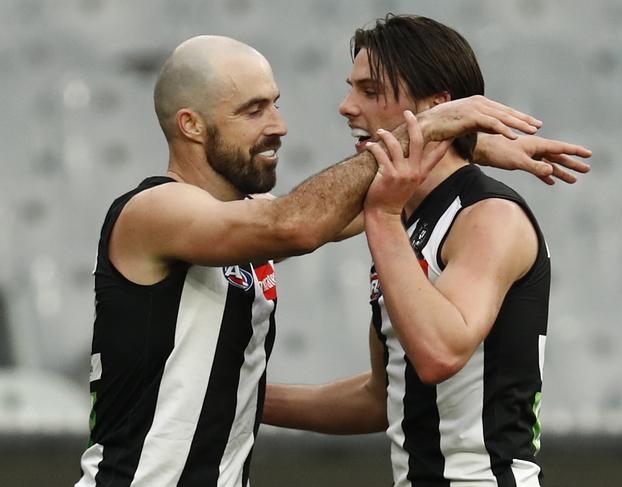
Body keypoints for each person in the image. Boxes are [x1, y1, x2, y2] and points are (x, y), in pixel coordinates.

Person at [74, 33, 549, 487]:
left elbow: (339, 209)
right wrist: (426, 129)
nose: (278, 125)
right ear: (191, 125)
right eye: (254, 110)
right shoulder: (154, 211)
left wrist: (460, 149)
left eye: (275, 104)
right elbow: (295, 224)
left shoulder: (242, 219)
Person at [263, 14, 590, 486]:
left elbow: (439, 354)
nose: (346, 107)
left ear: (439, 108)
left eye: (370, 91)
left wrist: (384, 216)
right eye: (352, 88)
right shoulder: (405, 216)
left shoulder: (486, 216)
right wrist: (242, 395)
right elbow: (384, 395)